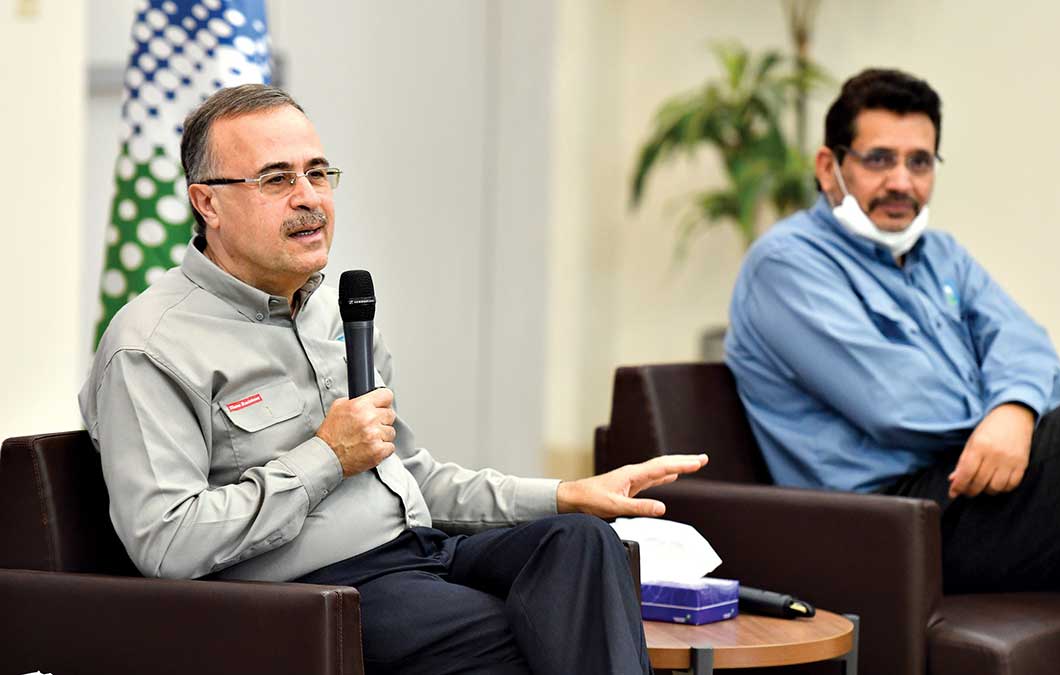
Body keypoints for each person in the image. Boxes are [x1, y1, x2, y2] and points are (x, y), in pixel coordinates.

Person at [79, 84, 707, 675]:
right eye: (277, 179)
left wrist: (567, 492)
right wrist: (325, 456)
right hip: (314, 596)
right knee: (538, 640)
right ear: (207, 202)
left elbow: (410, 476)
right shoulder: (150, 345)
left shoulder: (335, 309)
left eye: (318, 173)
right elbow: (167, 545)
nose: (309, 197)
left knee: (583, 544)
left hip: (422, 551)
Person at [725, 68, 1060, 674]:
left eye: (920, 162)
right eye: (879, 159)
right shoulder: (787, 266)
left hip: (978, 495)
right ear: (829, 167)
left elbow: (1028, 346)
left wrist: (1015, 408)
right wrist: (1001, 402)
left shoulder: (940, 254)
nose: (902, 181)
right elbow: (900, 402)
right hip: (893, 524)